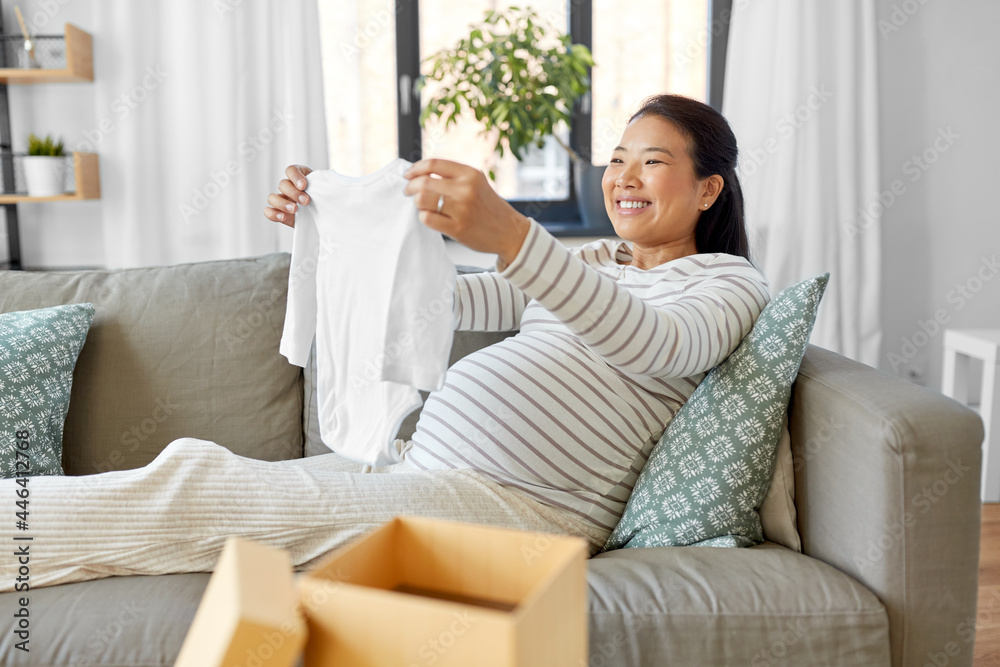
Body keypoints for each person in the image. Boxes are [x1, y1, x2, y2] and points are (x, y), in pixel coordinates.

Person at [1, 94, 769, 592]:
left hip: (519, 509)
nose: (625, 178)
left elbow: (655, 344)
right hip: (427, 470)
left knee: (191, 486)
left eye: (653, 162)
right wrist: (329, 226)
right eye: (617, 160)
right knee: (204, 475)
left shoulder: (730, 286)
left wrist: (512, 234)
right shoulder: (594, 261)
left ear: (709, 188)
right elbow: (437, 302)